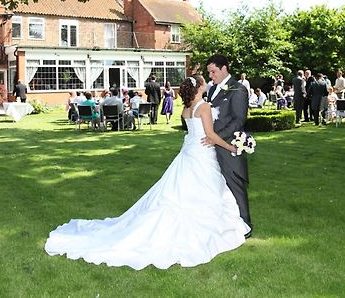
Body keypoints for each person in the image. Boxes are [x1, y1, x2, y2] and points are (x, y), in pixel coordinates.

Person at [45, 74, 250, 269]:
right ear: (199, 87)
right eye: (204, 81)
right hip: (202, 153)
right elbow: (210, 135)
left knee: (181, 189)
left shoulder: (187, 108)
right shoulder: (203, 106)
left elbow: (194, 132)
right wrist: (233, 147)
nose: (207, 82)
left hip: (190, 152)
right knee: (202, 189)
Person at [205, 54, 252, 237]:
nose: (211, 75)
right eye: (209, 72)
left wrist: (216, 137)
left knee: (234, 184)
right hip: (211, 145)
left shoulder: (238, 89)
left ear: (224, 68)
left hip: (229, 144)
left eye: (213, 71)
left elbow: (238, 120)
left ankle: (246, 224)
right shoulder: (211, 90)